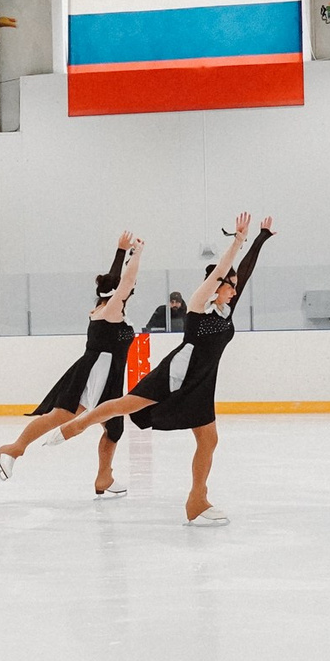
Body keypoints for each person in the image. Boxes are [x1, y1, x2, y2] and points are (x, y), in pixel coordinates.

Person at [61, 214, 274, 526]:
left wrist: (261, 238)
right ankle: (77, 426)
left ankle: (197, 501)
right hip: (176, 374)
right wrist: (237, 241)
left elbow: (244, 270)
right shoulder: (200, 303)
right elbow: (220, 273)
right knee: (126, 404)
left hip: (201, 381)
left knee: (208, 439)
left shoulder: (226, 308)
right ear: (217, 287)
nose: (235, 289)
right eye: (230, 285)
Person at [0, 233, 143, 496]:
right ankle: (14, 449)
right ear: (117, 292)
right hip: (98, 373)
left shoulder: (103, 307)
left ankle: (104, 478)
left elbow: (114, 282)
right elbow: (125, 282)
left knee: (114, 428)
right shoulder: (111, 311)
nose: (131, 289)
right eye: (125, 289)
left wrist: (121, 252)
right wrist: (137, 254)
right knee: (62, 416)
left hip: (105, 372)